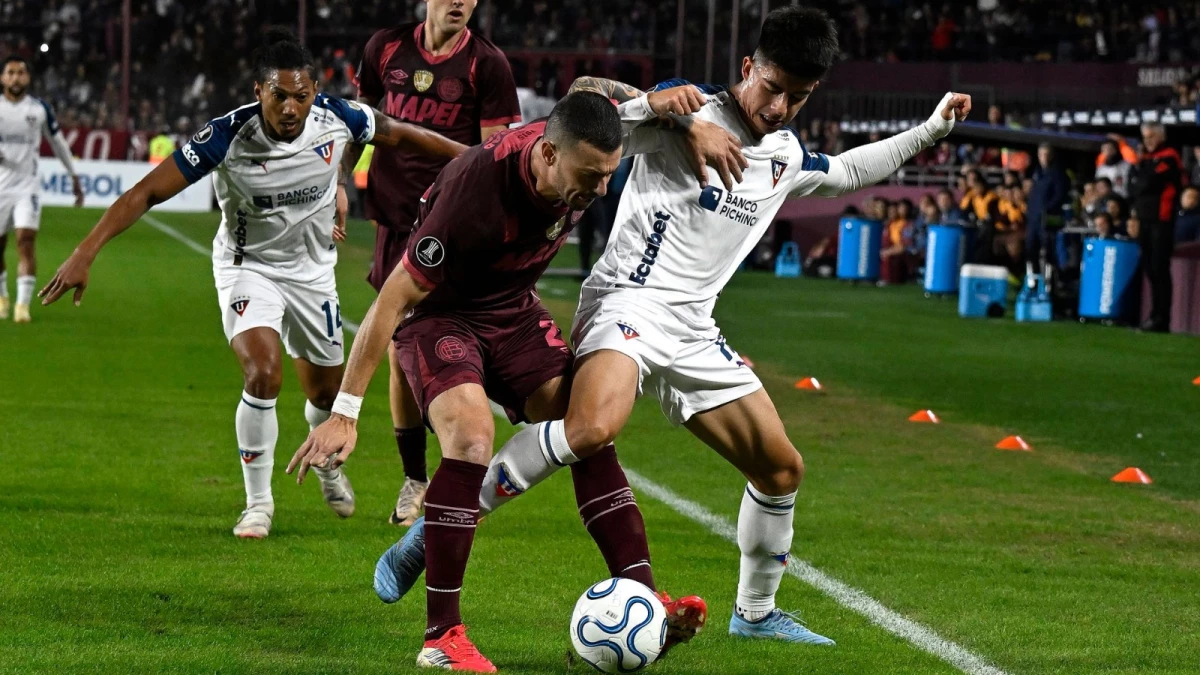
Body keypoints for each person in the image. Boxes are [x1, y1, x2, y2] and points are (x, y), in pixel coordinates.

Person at [357, 5, 972, 651]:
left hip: (694, 329)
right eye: (772, 87)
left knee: (781, 468)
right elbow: (582, 117)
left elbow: (849, 171)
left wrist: (931, 129)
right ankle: (440, 532)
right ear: (747, 68)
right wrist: (666, 110)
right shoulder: (687, 112)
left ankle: (756, 612)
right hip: (629, 302)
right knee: (592, 428)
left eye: (799, 95)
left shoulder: (786, 155)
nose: (780, 105)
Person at [289, 90, 747, 671]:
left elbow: (596, 92)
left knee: (585, 425)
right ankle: (441, 637)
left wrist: (681, 122)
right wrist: (346, 411)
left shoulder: (582, 150)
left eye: (609, 175)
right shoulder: (476, 192)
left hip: (510, 310)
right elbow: (392, 300)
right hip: (438, 316)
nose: (600, 189)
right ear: (549, 156)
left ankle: (643, 596)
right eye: (590, 176)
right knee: (471, 438)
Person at [38, 30, 468, 540]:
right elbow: (147, 191)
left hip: (312, 274)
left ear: (315, 92)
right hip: (249, 268)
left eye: (301, 96)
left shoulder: (339, 117)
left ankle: (324, 452)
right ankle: (258, 504)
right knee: (263, 374)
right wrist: (85, 252)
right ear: (259, 90)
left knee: (328, 393)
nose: (291, 107)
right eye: (280, 95)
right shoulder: (228, 134)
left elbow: (403, 133)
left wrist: (475, 156)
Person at [346, 0, 523, 527]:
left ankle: (469, 461)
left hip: (453, 224)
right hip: (395, 219)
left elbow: (496, 158)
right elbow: (358, 122)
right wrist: (339, 184)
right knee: (403, 341)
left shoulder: (488, 65)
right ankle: (416, 479)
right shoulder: (385, 47)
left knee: (456, 336)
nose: (459, 3)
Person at [0, 55, 83, 323]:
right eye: (10, 72)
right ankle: (2, 297)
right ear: (3, 78)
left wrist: (73, 175)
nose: (15, 77)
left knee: (25, 240)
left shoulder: (39, 109)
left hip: (28, 187)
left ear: (28, 78)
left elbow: (58, 144)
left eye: (20, 73)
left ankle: (22, 306)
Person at [1129, 122, 1182, 332]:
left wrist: (1140, 174)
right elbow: (1132, 187)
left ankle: (1162, 318)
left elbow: (1145, 183)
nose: (1147, 141)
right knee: (1150, 269)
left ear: (1161, 136)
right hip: (1145, 220)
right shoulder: (1146, 160)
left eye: (1151, 136)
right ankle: (1154, 315)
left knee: (1159, 269)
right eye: (1145, 137)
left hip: (1162, 220)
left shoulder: (1169, 156)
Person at [1025, 143, 1069, 270]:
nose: (1043, 157)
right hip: (1033, 218)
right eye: (1041, 154)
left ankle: (1051, 279)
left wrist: (1046, 209)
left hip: (1047, 219)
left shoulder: (1058, 174)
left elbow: (1059, 196)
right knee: (1030, 248)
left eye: (1046, 154)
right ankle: (1033, 277)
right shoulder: (1037, 173)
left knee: (1047, 250)